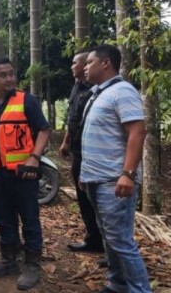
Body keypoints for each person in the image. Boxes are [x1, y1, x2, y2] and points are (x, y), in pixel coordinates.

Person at [80, 44, 151, 293]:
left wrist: (128, 174)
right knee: (109, 236)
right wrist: (85, 174)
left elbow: (137, 131)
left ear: (106, 63)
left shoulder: (123, 91)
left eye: (89, 62)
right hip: (97, 179)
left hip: (114, 180)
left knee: (120, 240)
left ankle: (140, 289)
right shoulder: (99, 93)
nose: (85, 67)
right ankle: (117, 283)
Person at [0, 56, 51, 291]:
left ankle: (32, 264)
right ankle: (9, 259)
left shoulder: (26, 100)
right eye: (3, 74)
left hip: (24, 174)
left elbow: (44, 129)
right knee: (3, 218)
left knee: (30, 219)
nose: (9, 78)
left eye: (11, 73)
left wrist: (35, 157)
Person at [59, 52, 105, 253]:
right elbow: (73, 118)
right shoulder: (77, 86)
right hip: (78, 150)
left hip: (93, 152)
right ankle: (93, 239)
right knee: (83, 196)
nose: (73, 66)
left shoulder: (97, 90)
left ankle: (108, 245)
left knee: (98, 199)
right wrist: (66, 141)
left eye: (75, 63)